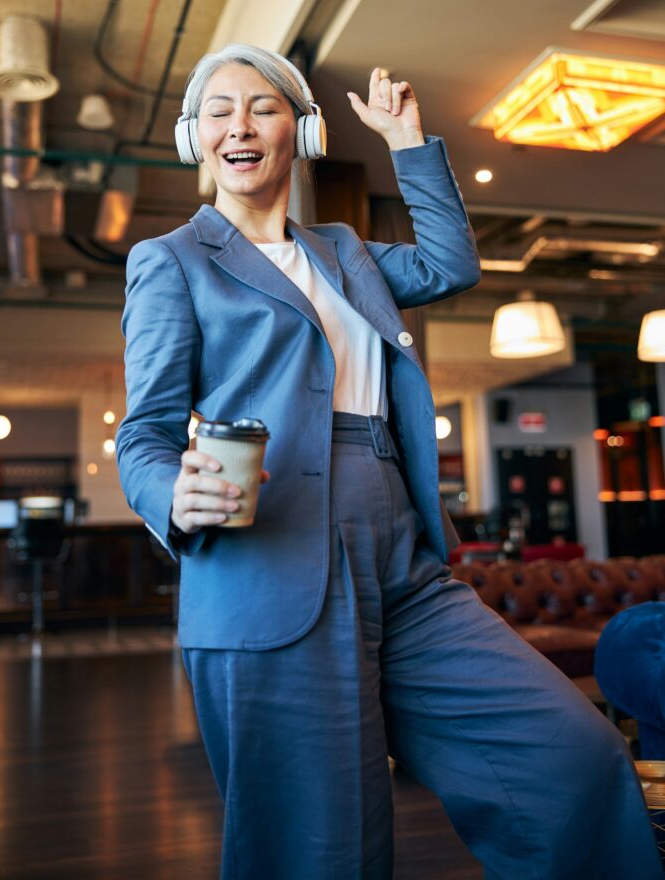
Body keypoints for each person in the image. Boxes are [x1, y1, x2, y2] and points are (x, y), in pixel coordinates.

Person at [116, 45, 661, 880]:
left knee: (568, 757)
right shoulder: (173, 261)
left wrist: (408, 141)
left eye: (261, 108)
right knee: (320, 844)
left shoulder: (346, 252)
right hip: (267, 562)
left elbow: (451, 264)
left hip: (404, 563)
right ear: (197, 139)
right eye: (218, 110)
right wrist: (172, 496)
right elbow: (146, 432)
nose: (239, 125)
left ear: (299, 131)